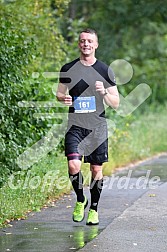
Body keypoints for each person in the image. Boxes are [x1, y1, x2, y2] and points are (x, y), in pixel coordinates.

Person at [56, 28, 119, 225]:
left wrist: (103, 93)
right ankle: (81, 200)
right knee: (73, 165)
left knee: (95, 170)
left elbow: (116, 103)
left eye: (90, 41)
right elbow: (59, 93)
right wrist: (63, 98)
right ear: (78, 44)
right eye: (83, 41)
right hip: (75, 126)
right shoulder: (68, 68)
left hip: (97, 128)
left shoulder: (105, 70)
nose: (86, 44)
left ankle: (93, 209)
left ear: (96, 45)